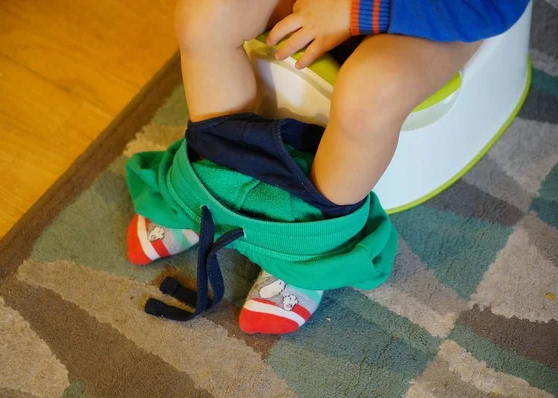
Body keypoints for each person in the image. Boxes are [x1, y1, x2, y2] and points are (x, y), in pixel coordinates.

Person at [128, 0, 530, 334]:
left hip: (430, 15)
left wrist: (358, 11)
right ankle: (208, 184)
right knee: (205, 15)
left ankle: (309, 251)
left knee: (369, 92)